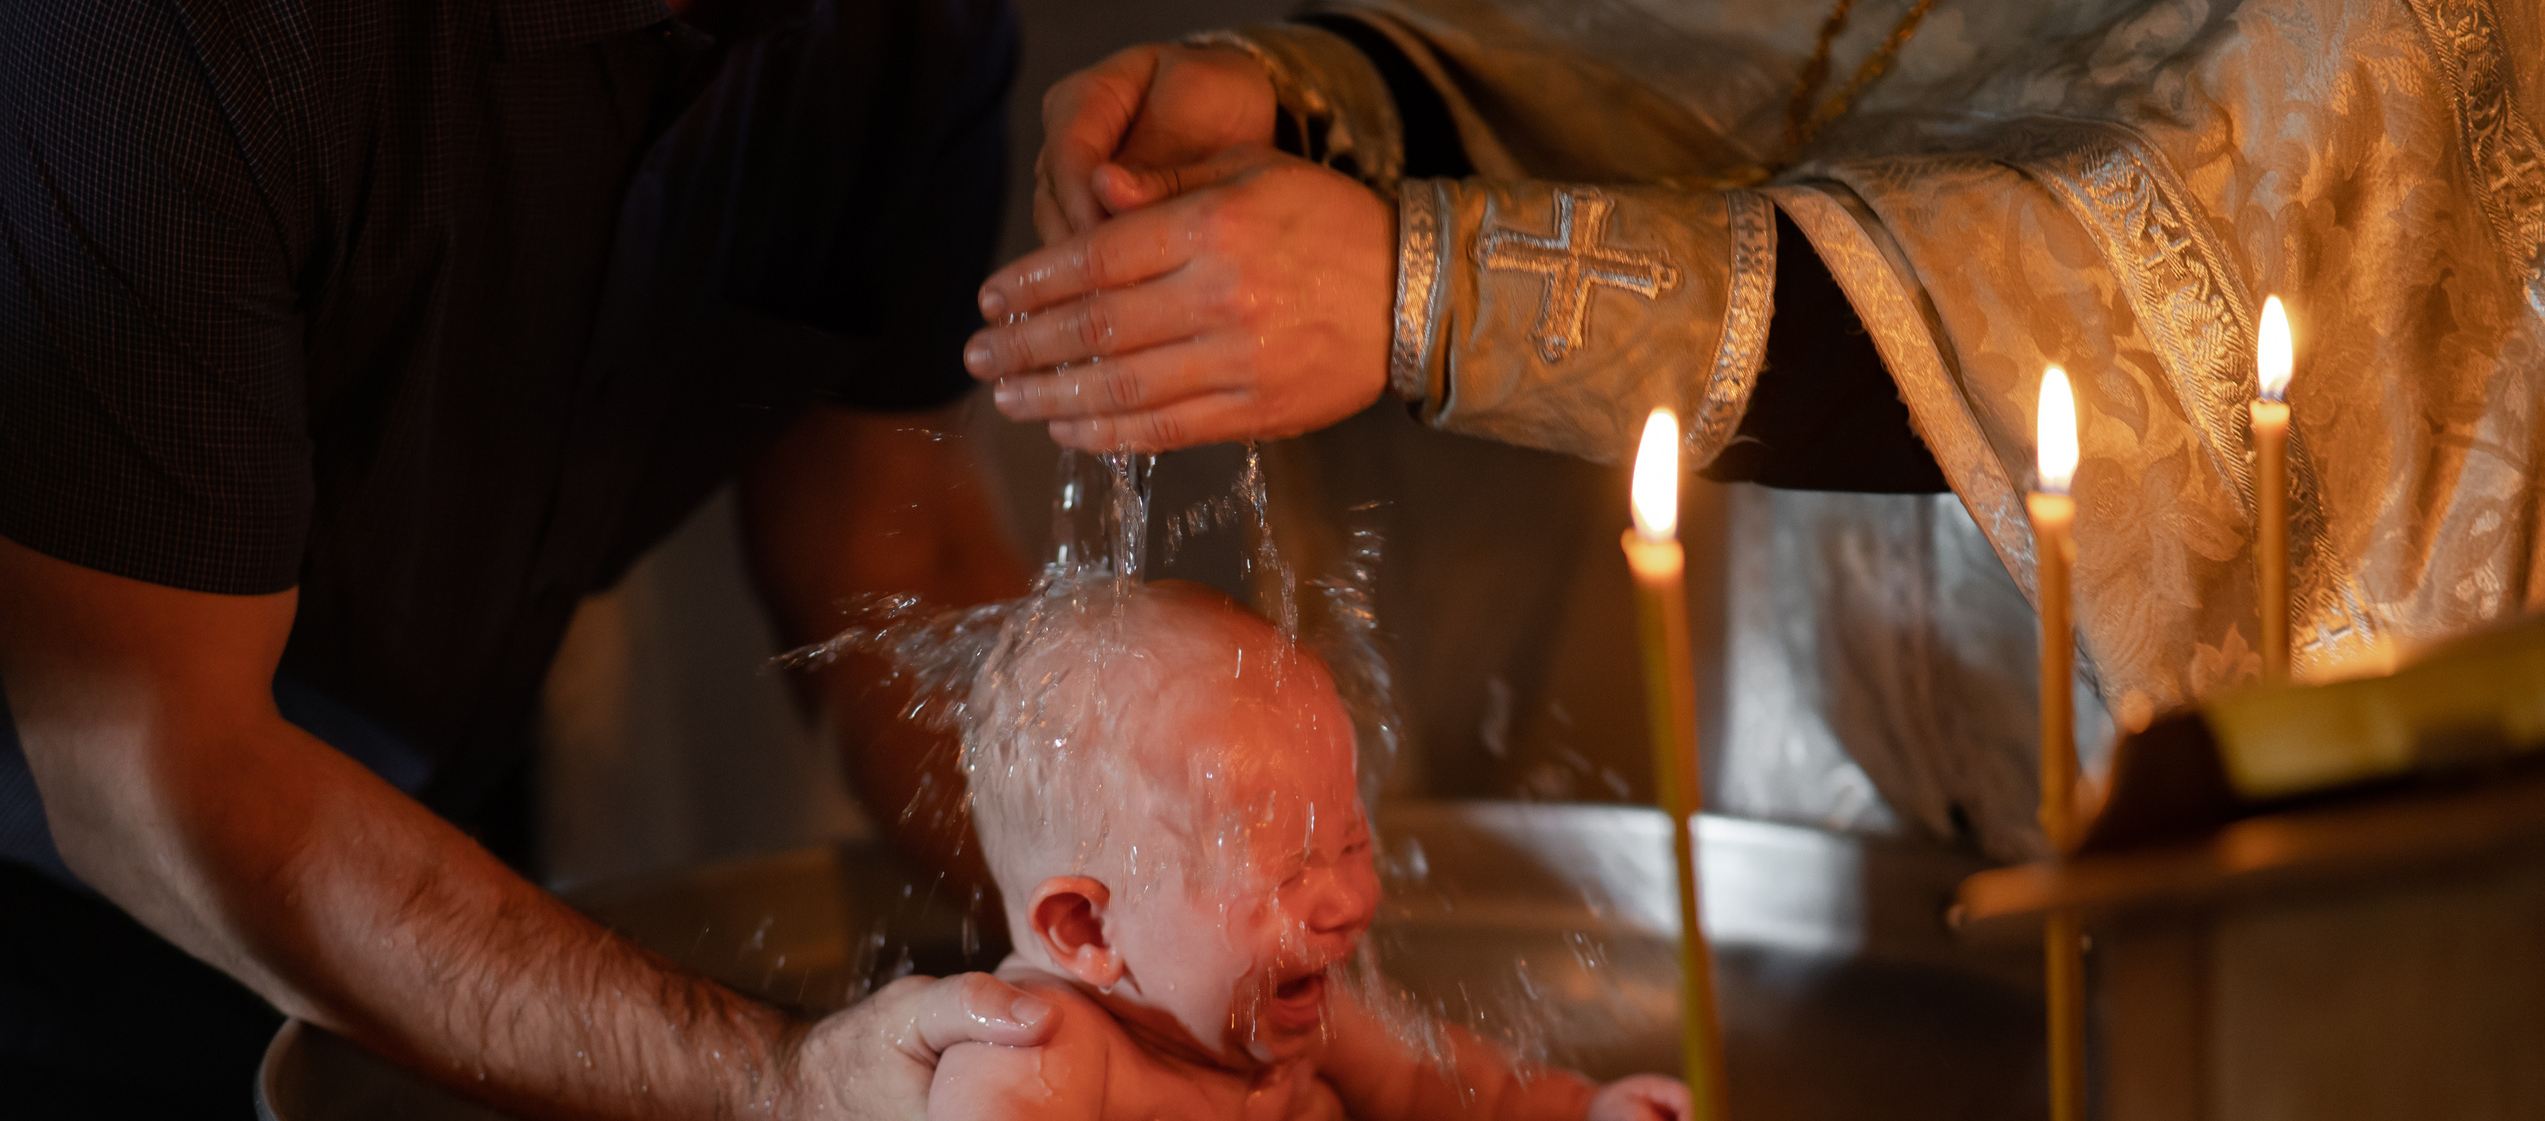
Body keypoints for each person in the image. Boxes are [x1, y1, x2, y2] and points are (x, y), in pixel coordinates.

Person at [0, 0, 1328, 1121]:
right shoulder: (151, 50)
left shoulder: (883, 36)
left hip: (409, 897)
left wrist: (1150, 956)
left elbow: (875, 532)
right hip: (24, 1026)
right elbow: (146, 766)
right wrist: (784, 1107)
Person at [966, 0, 2545, 859]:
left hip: (2316, 855)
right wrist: (1328, 101)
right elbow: (1807, 53)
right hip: (1872, 724)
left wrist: (1430, 285)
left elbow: (2163, 265)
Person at [928, 579, 1692, 1121]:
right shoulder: (1043, 1047)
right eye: (1287, 873)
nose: (1352, 900)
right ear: (1087, 929)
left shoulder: (1290, 1014)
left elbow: (1447, 1084)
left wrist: (1587, 1117)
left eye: (1354, 844)